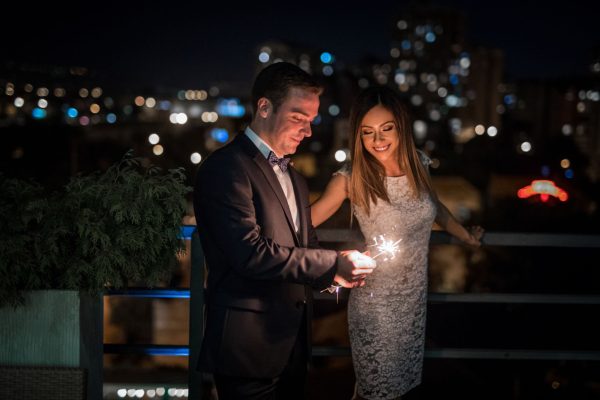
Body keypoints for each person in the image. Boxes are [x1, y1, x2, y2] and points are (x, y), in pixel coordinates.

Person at [193, 62, 376, 400]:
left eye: (311, 121)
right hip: (246, 349)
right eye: (298, 118)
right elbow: (251, 253)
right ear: (264, 107)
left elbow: (305, 245)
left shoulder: (296, 178)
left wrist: (339, 274)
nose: (307, 132)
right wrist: (333, 264)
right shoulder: (226, 168)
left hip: (292, 346)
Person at [311, 86, 484, 400]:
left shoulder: (418, 164)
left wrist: (465, 236)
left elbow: (436, 207)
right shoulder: (351, 178)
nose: (378, 140)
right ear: (358, 137)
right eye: (367, 132)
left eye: (386, 128)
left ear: (401, 128)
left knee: (400, 390)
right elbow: (307, 220)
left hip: (413, 306)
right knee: (376, 392)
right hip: (375, 308)